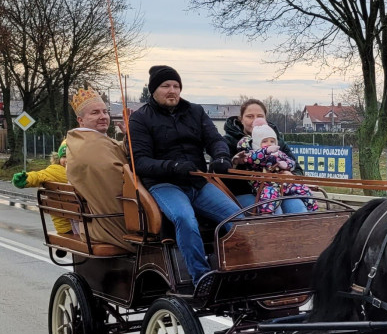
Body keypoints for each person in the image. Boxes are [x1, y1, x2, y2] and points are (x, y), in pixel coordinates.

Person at [128, 65, 241, 290]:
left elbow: (215, 139)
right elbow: (139, 162)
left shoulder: (195, 111)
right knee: (184, 218)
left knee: (237, 218)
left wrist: (221, 157)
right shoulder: (140, 119)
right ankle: (201, 277)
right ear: (153, 90)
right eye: (166, 86)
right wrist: (173, 166)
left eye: (176, 86)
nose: (172, 91)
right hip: (163, 184)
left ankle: (237, 268)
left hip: (197, 182)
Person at [64, 89, 136, 252]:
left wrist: (130, 135)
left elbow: (119, 152)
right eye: (95, 113)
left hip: (94, 219)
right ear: (80, 120)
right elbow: (119, 185)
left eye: (105, 112)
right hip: (103, 225)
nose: (103, 116)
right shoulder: (90, 146)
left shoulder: (92, 140)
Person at [223, 98, 307, 213]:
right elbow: (219, 171)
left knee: (298, 209)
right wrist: (235, 163)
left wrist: (290, 174)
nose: (255, 120)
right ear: (241, 119)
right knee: (274, 212)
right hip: (244, 192)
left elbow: (296, 167)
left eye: (260, 116)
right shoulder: (229, 141)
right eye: (250, 116)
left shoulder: (275, 141)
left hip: (280, 189)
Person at [236, 119, 318, 214]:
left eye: (272, 141)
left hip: (282, 183)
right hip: (264, 185)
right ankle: (267, 216)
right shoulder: (252, 154)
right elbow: (254, 159)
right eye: (265, 141)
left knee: (302, 189)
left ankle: (313, 211)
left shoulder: (279, 154)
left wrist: (286, 164)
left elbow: (292, 162)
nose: (269, 144)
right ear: (256, 144)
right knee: (269, 198)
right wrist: (265, 152)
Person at [12, 143, 72, 234]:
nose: (66, 160)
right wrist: (26, 178)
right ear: (58, 159)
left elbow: (38, 176)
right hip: (80, 226)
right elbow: (38, 175)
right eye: (63, 156)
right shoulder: (55, 171)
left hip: (64, 227)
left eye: (69, 156)